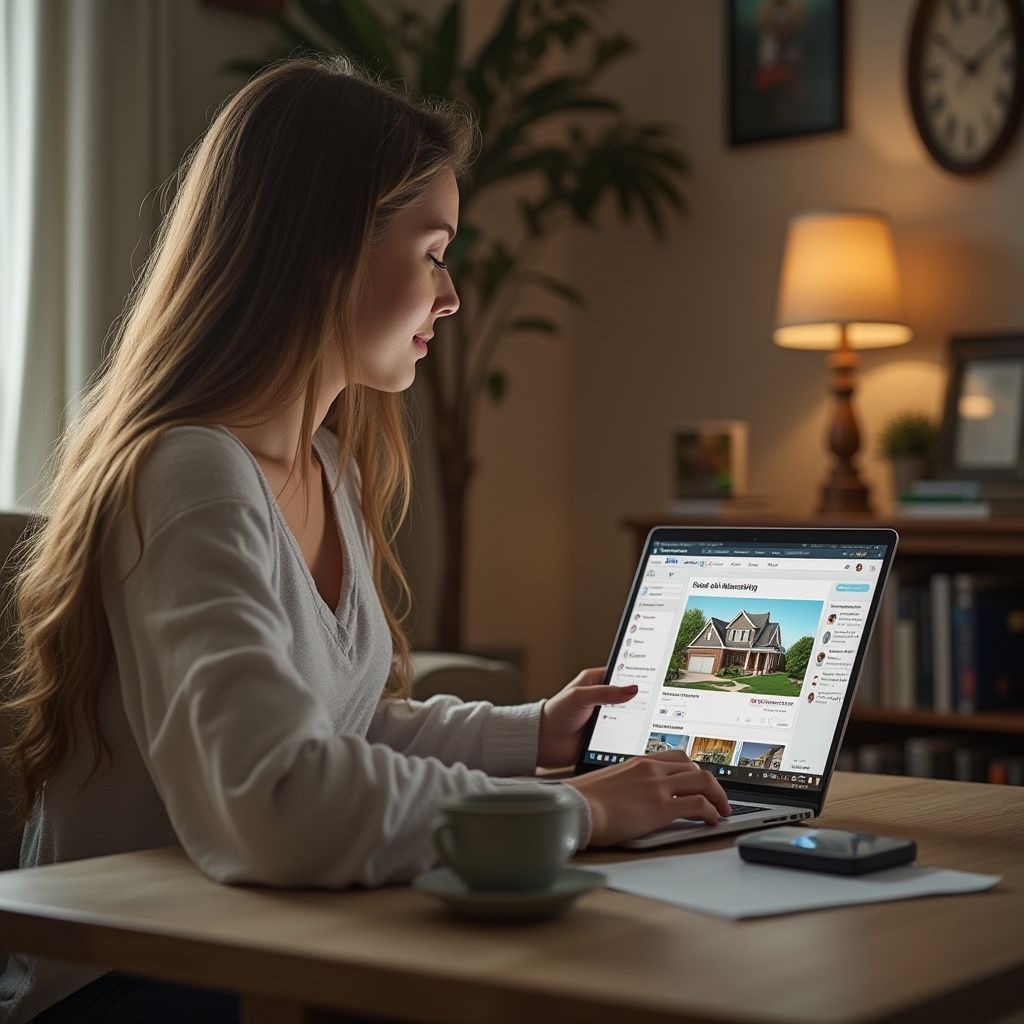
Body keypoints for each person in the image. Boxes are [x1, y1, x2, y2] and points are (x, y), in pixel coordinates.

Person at [0, 57, 730, 1024]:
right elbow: (277, 801)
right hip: (136, 986)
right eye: (434, 251)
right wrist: (584, 811)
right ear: (327, 245)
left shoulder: (325, 470)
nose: (454, 294)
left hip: (264, 945)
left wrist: (534, 734)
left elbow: (341, 728)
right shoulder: (189, 473)